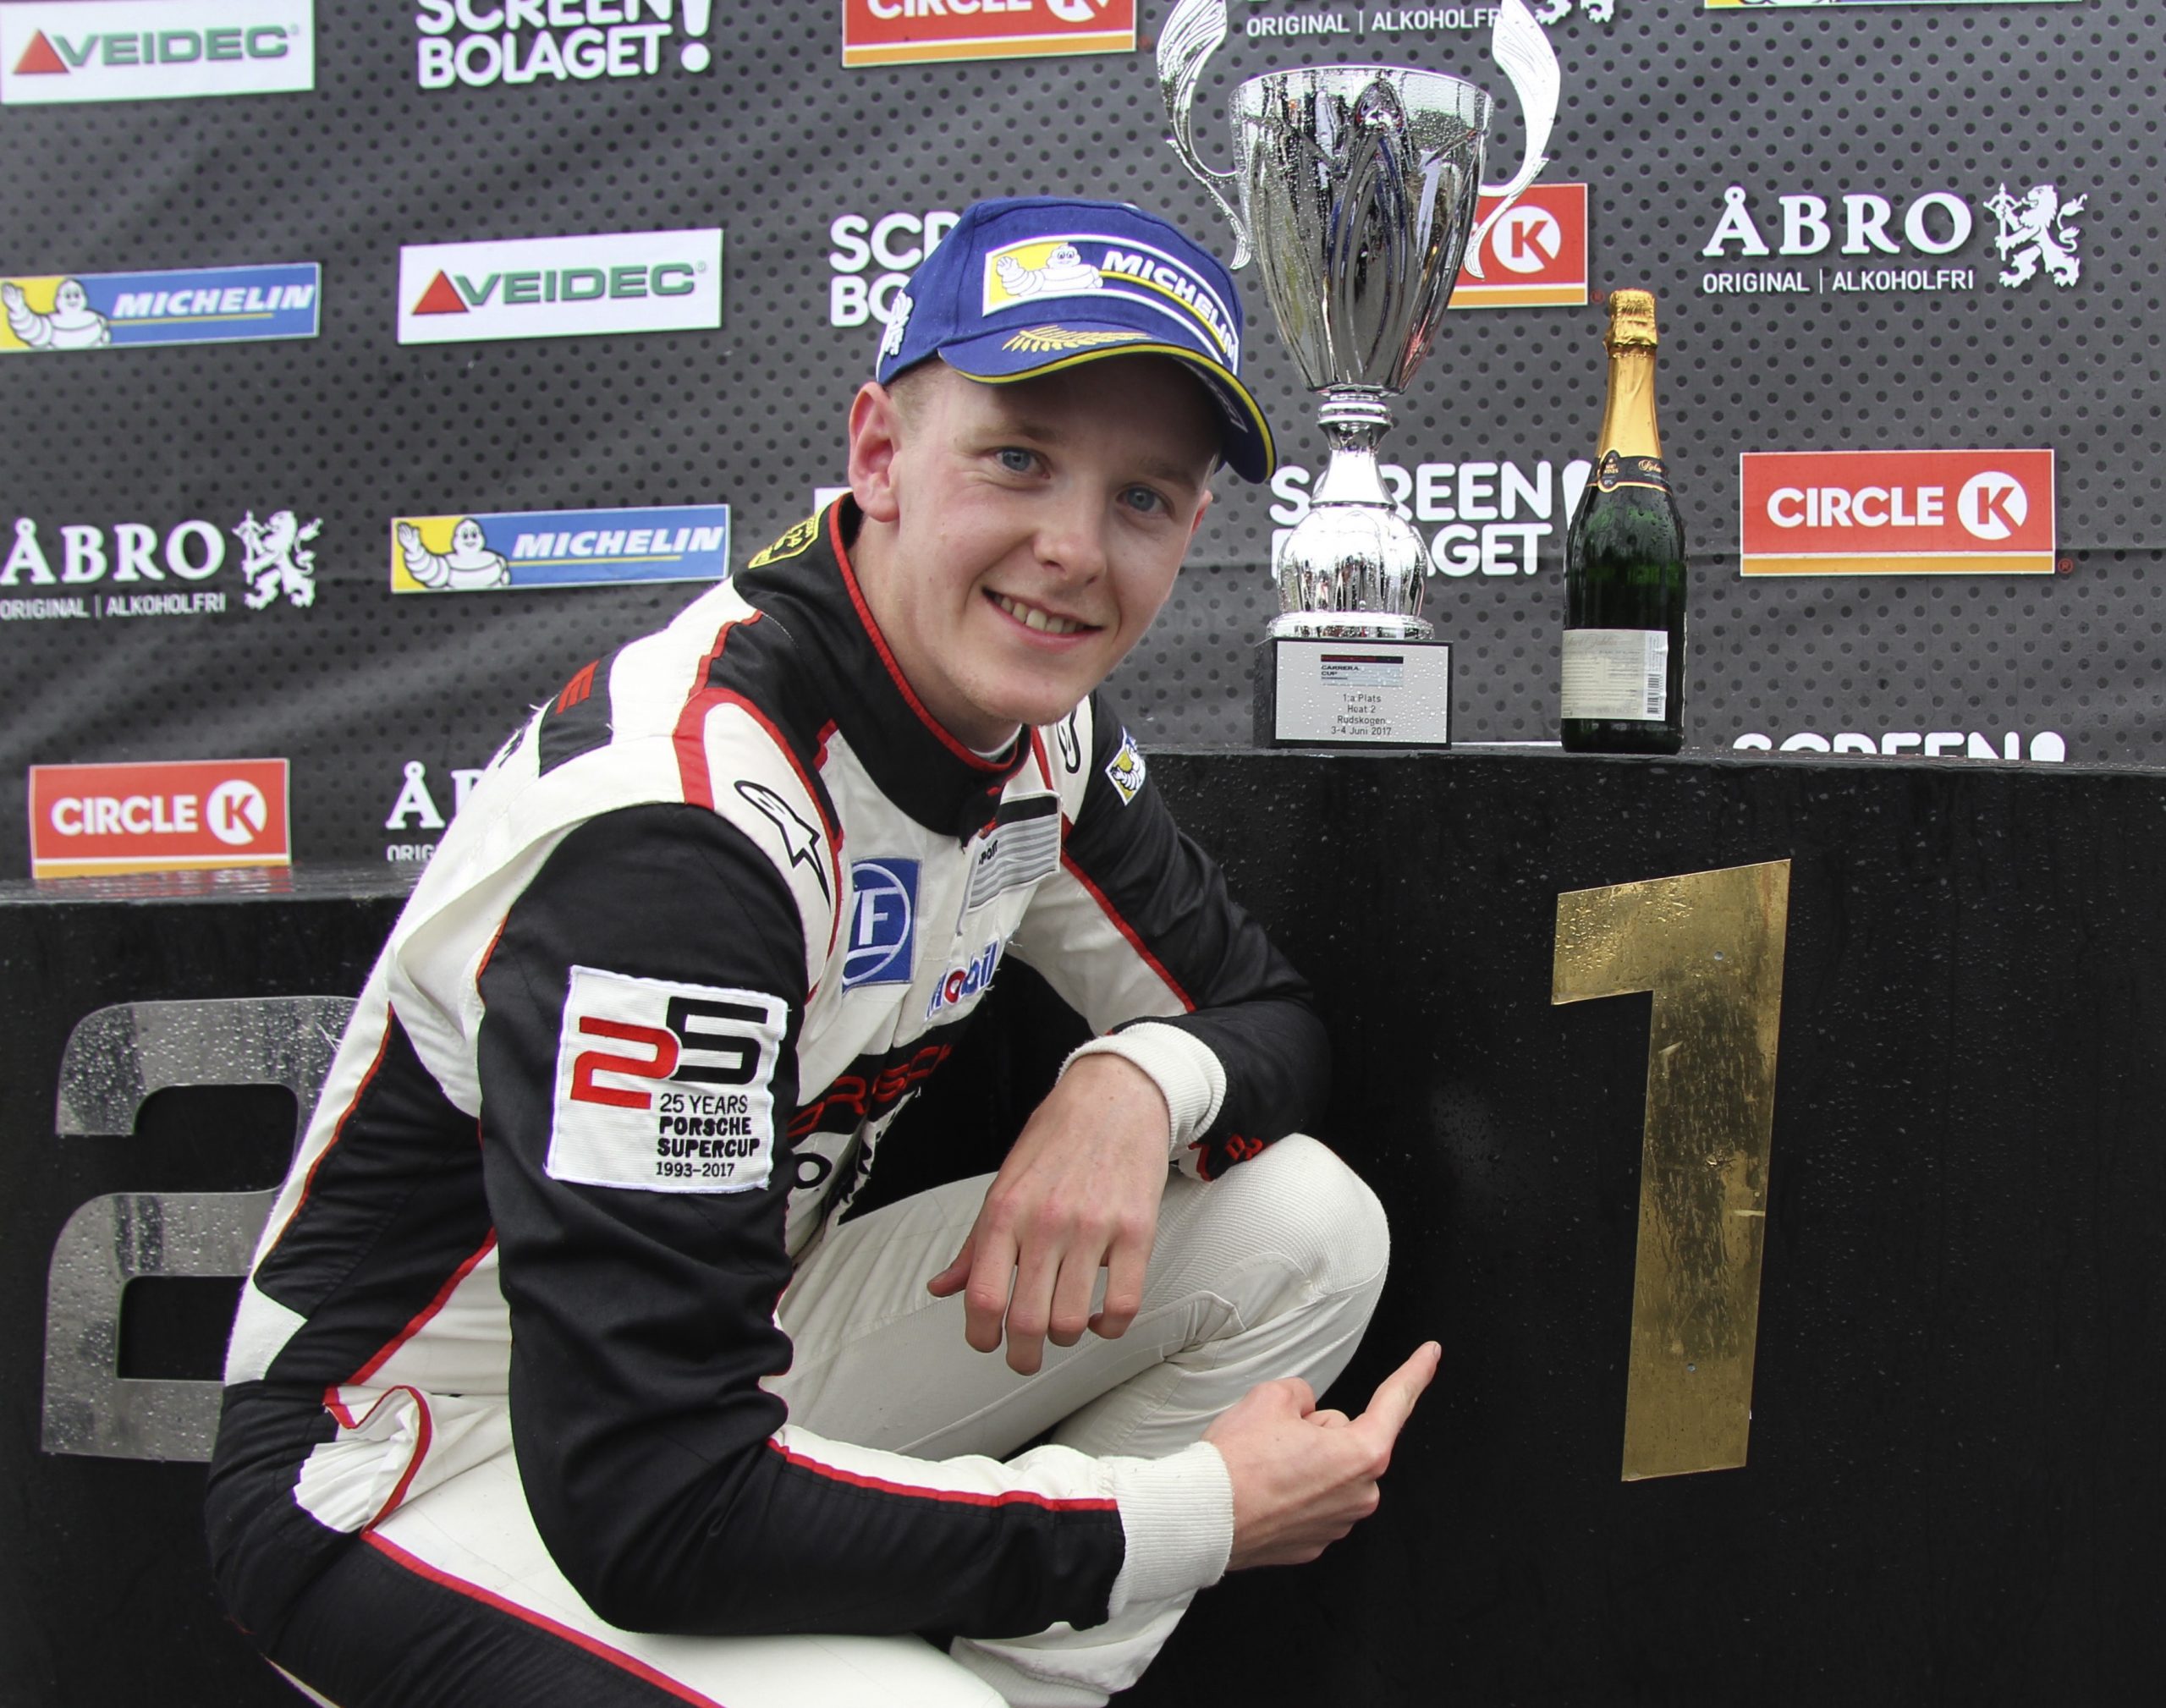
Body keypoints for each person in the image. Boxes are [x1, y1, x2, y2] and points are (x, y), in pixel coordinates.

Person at [205, 195, 1438, 1708]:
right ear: (879, 455)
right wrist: (1192, 1517)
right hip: (416, 1460)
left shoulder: (1035, 734)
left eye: (1143, 497)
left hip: (723, 1366)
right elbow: (654, 1507)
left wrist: (1134, 1081)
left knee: (1308, 1226)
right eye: (1018, 459)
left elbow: (1263, 1014)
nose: (1071, 549)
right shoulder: (687, 832)